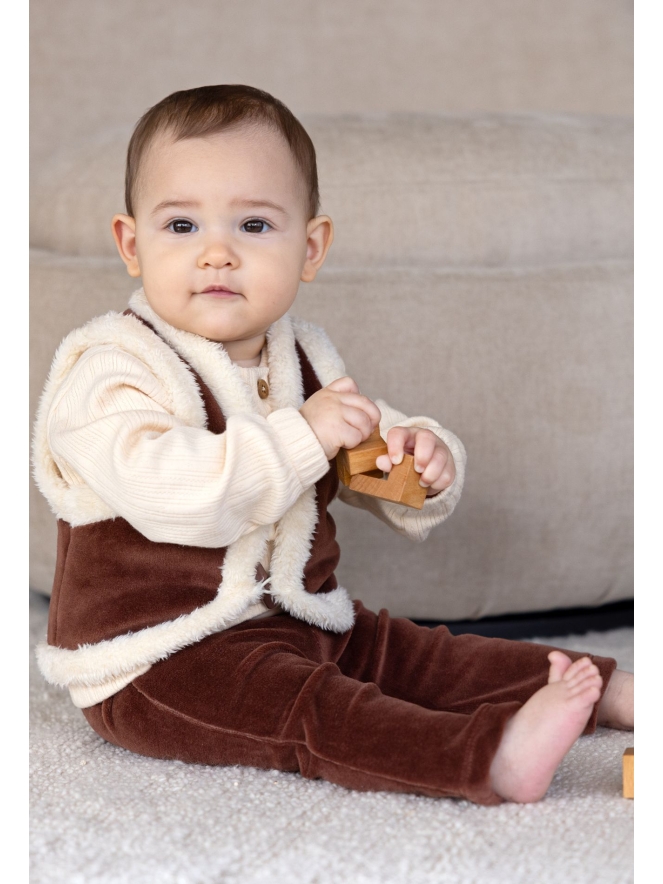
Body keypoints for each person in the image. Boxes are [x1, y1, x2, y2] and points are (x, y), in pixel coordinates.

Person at [33, 85, 633, 806]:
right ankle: (487, 759)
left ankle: (610, 691)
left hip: (302, 619)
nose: (217, 254)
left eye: (254, 224)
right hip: (159, 656)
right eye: (182, 225)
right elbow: (177, 494)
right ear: (132, 245)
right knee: (314, 710)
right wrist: (306, 432)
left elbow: (361, 451)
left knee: (416, 655)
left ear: (310, 249)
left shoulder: (303, 357)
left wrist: (421, 461)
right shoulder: (111, 368)